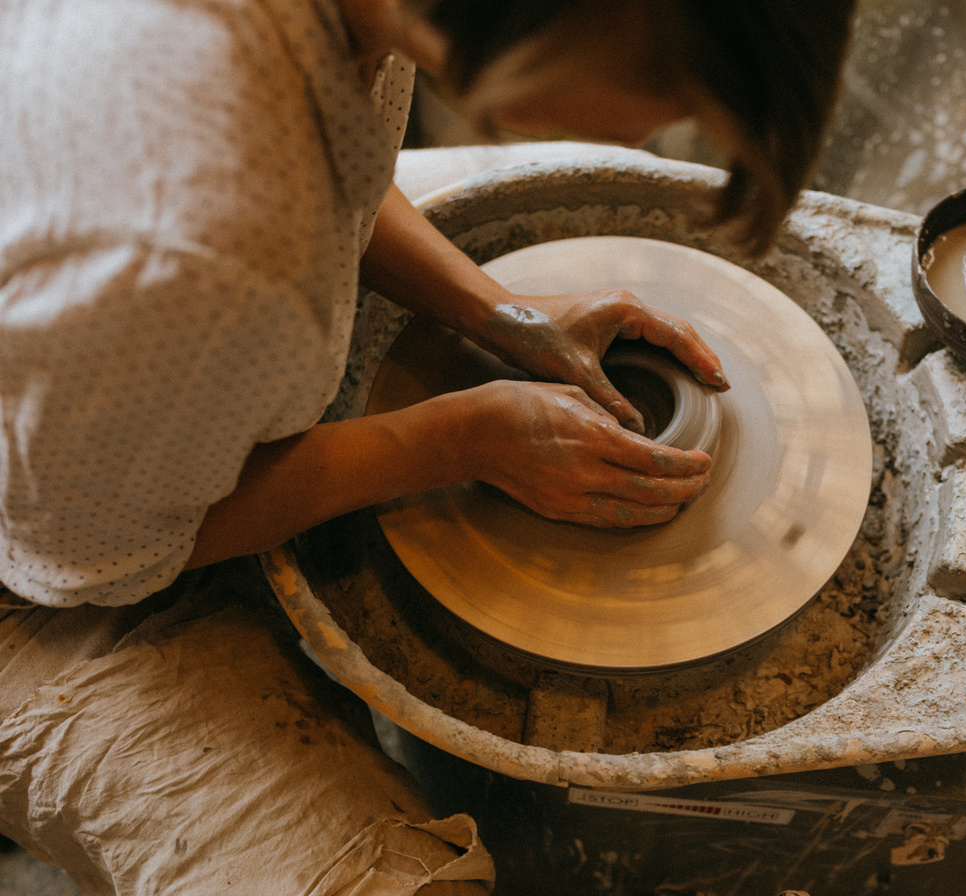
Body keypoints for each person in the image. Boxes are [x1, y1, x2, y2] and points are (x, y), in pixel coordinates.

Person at [0, 0, 857, 892]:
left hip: (105, 404)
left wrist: (499, 312)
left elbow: (333, 162)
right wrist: (457, 439)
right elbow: (87, 561)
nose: (655, 128)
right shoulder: (208, 226)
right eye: (664, 91)